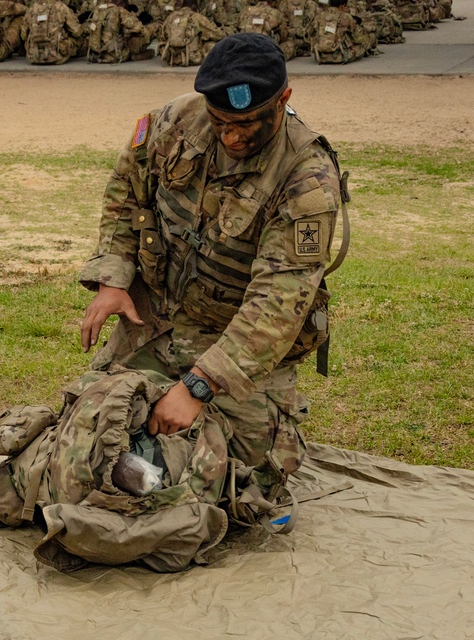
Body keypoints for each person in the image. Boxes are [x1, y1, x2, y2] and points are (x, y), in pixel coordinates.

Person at [78, 32, 345, 531]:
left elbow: (276, 305)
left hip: (239, 347)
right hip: (161, 320)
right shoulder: (178, 119)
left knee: (242, 483)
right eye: (221, 122)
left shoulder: (306, 179)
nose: (231, 138)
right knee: (94, 429)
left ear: (283, 99)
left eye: (246, 124)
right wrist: (114, 276)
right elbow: (126, 186)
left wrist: (198, 386)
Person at [156, 0, 226, 66]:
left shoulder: (170, 17)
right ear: (194, 7)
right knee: (215, 45)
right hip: (192, 58)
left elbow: (161, 36)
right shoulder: (197, 17)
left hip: (171, 57)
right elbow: (217, 35)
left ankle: (177, 59)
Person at [309, 0, 373, 63]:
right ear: (342, 6)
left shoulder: (319, 16)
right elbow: (357, 38)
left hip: (320, 56)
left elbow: (311, 33)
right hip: (340, 56)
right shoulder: (346, 16)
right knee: (367, 40)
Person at [21, 0, 84, 64]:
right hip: (57, 56)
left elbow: (23, 36)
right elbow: (77, 32)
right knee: (80, 39)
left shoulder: (32, 8)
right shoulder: (61, 7)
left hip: (34, 56)